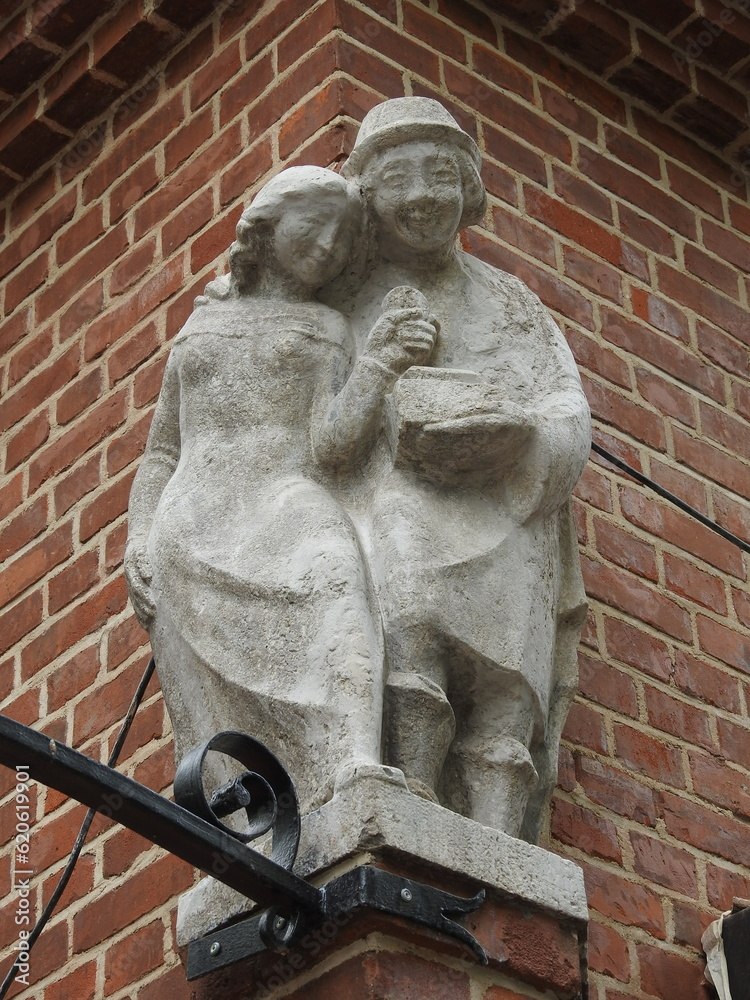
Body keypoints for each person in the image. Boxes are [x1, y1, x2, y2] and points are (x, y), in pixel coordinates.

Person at [124, 165, 438, 815]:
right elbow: (160, 451)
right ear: (266, 226)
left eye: (339, 237)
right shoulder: (199, 327)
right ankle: (245, 804)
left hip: (286, 497)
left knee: (336, 577)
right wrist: (138, 531)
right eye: (312, 225)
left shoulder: (326, 331)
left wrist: (378, 364)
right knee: (216, 703)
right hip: (194, 519)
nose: (325, 245)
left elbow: (333, 447)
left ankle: (355, 760)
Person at [336, 98, 591, 841]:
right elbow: (318, 424)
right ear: (368, 194)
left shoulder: (511, 302)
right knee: (409, 619)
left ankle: (501, 833)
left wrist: (524, 439)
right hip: (399, 499)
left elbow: (564, 406)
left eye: (440, 176)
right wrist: (380, 373)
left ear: (468, 189)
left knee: (508, 677)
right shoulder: (345, 297)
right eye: (399, 180)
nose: (421, 197)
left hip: (508, 514)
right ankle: (413, 788)